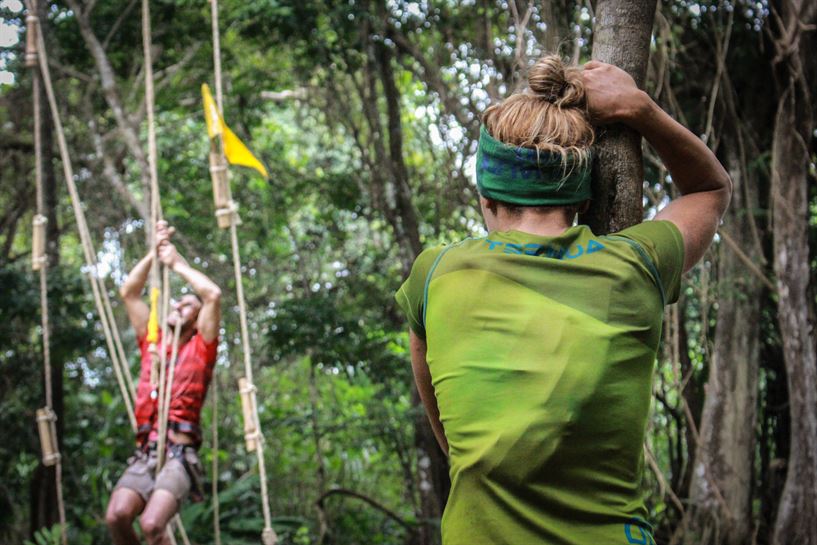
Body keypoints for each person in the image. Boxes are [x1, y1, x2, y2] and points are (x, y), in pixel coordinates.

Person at [395, 56, 731, 545]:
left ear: (487, 197)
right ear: (583, 200)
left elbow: (446, 428)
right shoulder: (637, 266)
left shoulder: (435, 276)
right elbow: (711, 188)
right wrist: (639, 109)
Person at [106, 221, 222, 545]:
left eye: (187, 304)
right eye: (177, 302)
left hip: (179, 455)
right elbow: (129, 292)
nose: (177, 305)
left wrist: (178, 265)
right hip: (145, 453)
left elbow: (212, 294)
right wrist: (153, 256)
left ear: (198, 318)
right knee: (116, 516)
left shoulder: (201, 347)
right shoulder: (153, 344)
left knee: (152, 524)